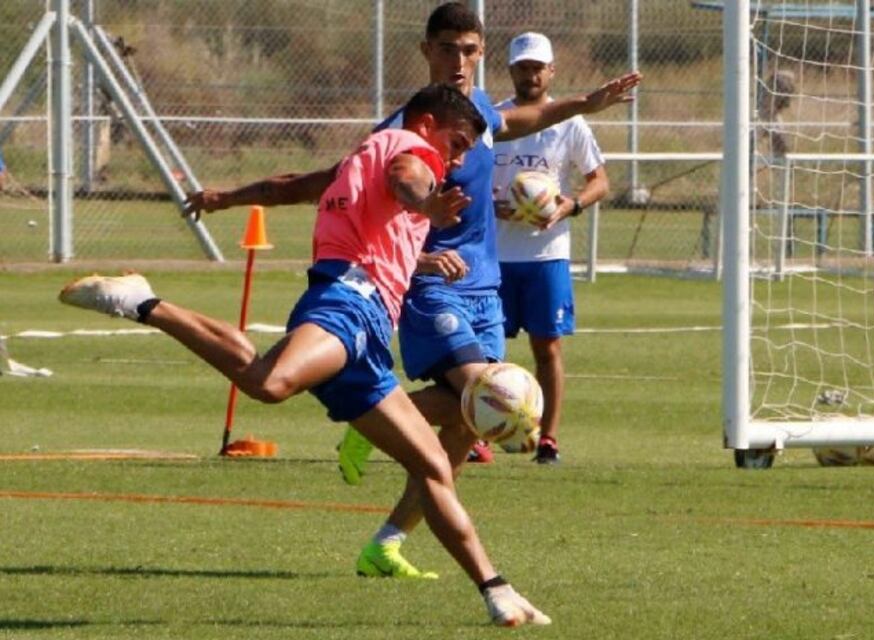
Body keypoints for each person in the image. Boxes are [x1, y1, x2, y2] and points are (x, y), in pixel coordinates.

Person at [58, 84, 550, 628]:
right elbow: (407, 178)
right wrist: (427, 204)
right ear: (430, 123)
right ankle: (143, 302)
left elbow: (336, 208)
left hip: (364, 324)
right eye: (457, 144)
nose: (457, 160)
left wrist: (424, 258)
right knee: (270, 383)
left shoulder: (364, 154)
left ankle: (497, 591)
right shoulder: (415, 151)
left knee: (433, 464)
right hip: (349, 304)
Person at [334, 1, 640, 581]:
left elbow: (527, 121)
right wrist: (419, 248)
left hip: (486, 287)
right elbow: (372, 199)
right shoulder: (403, 129)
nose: (459, 60)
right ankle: (371, 416)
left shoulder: (479, 111)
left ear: (482, 55)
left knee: (467, 421)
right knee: (492, 394)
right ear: (426, 51)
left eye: (470, 50)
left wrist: (585, 104)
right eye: (447, 48)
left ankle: (388, 540)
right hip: (433, 287)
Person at [492, 32, 609, 464]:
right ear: (511, 71)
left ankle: (548, 438)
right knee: (487, 352)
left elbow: (600, 180)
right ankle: (481, 434)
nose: (531, 74)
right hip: (496, 256)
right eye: (523, 67)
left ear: (551, 71)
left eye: (538, 67)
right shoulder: (494, 120)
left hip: (546, 255)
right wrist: (492, 207)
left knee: (548, 348)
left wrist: (570, 205)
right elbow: (464, 178)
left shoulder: (569, 122)